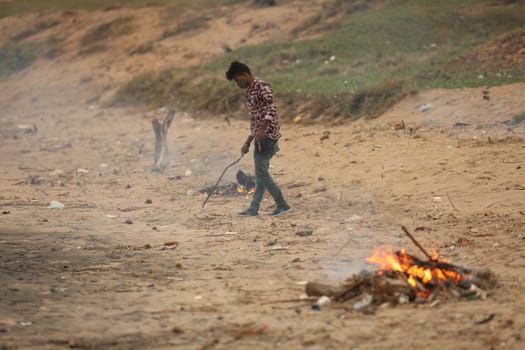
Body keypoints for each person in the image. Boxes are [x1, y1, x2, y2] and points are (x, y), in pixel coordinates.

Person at [225, 61, 292, 216]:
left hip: (268, 137)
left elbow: (272, 108)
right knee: (261, 174)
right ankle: (254, 208)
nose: (237, 83)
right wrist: (247, 142)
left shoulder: (262, 86)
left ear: (244, 74)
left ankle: (282, 204)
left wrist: (262, 130)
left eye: (237, 80)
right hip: (260, 137)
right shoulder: (250, 92)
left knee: (261, 174)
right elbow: (255, 120)